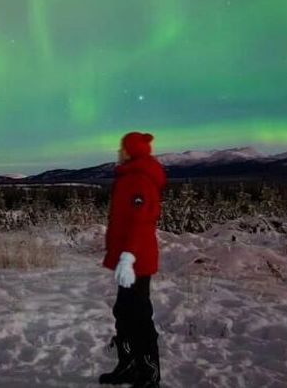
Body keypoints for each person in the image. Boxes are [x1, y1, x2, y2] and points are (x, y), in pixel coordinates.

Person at [99, 131, 166, 387]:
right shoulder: (129, 177)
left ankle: (149, 374)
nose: (119, 151)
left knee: (139, 317)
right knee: (124, 313)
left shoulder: (139, 180)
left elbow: (139, 222)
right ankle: (128, 366)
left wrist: (128, 257)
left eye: (123, 148)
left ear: (132, 151)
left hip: (136, 260)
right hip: (129, 259)